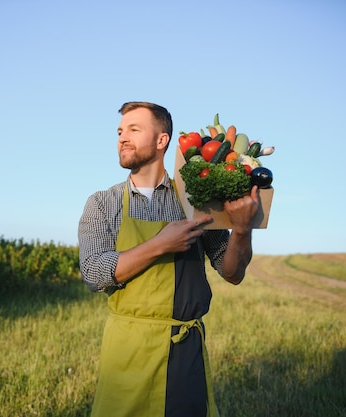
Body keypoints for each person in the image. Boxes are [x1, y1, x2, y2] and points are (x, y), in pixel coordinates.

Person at [77, 102, 260, 417]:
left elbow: (231, 272)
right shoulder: (102, 204)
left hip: (183, 350)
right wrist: (161, 244)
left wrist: (242, 230)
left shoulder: (196, 199)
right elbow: (94, 274)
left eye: (134, 130)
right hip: (127, 352)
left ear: (162, 140)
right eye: (120, 131)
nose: (122, 138)